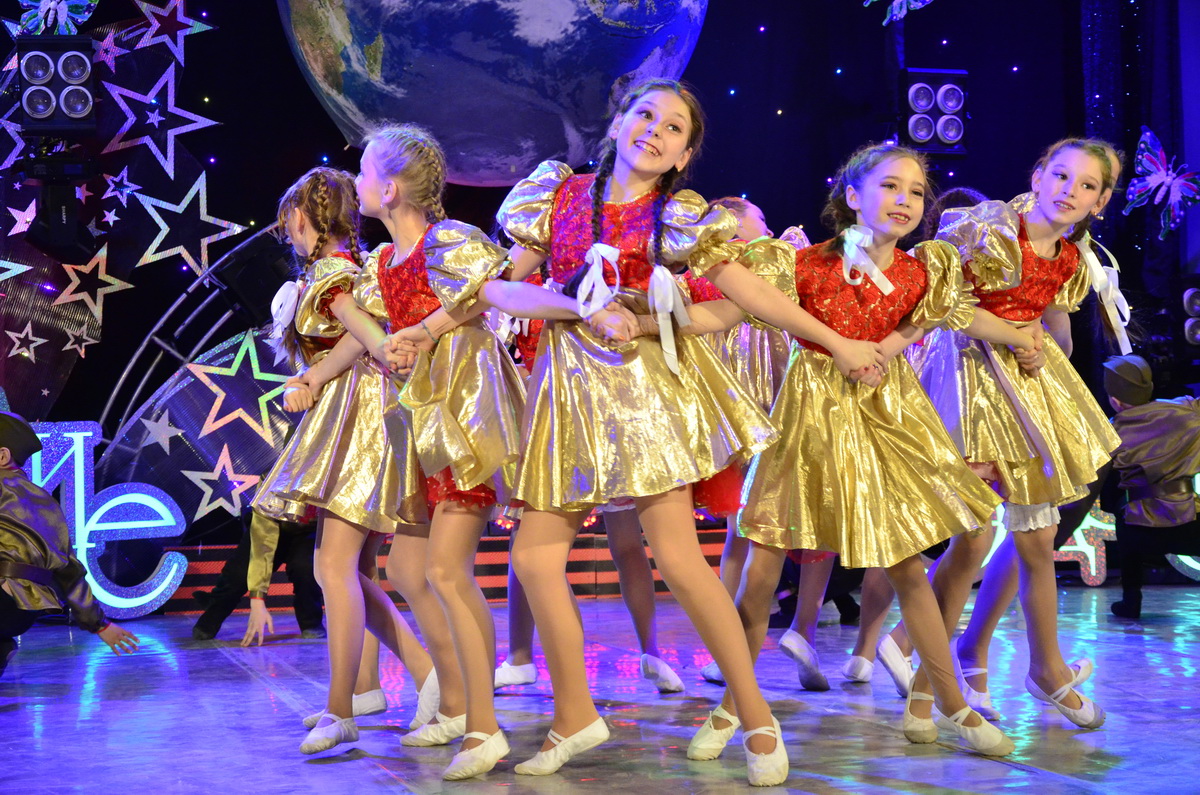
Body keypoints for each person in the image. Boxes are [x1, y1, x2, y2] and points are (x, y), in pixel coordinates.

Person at [493, 77, 878, 786]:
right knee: (535, 555)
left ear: (683, 155)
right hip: (568, 387)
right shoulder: (558, 195)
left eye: (674, 127)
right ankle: (574, 713)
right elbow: (498, 284)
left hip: (645, 392)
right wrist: (578, 308)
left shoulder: (677, 216)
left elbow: (747, 294)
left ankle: (755, 715)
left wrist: (836, 341)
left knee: (677, 556)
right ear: (617, 123)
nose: (655, 130)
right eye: (645, 114)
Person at [686, 141, 1035, 758]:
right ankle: (732, 707)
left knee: (906, 564)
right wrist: (651, 318)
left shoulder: (923, 270)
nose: (904, 200)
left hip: (884, 416)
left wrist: (1016, 335)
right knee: (762, 570)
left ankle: (951, 704)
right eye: (889, 186)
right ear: (852, 196)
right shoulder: (802, 263)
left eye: (916, 191)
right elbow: (728, 310)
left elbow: (946, 317)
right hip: (808, 415)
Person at [299, 124, 595, 780]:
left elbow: (493, 292)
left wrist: (577, 308)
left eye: (366, 170)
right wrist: (316, 376)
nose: (357, 181)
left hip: (465, 414)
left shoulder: (448, 241)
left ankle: (485, 727)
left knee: (446, 570)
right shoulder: (384, 261)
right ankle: (458, 704)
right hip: (421, 422)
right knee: (409, 566)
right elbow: (367, 335)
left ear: (390, 188)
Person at [922, 138, 1123, 729]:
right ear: (1037, 176)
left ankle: (1045, 669)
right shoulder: (988, 228)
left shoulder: (1069, 258)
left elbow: (1055, 331)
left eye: (1086, 185)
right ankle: (927, 673)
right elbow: (943, 302)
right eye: (1060, 175)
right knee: (968, 537)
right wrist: (1015, 336)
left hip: (1021, 392)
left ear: (1100, 201)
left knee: (1038, 538)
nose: (1069, 190)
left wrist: (1042, 352)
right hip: (962, 380)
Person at [250, 167, 439, 755]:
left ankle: (349, 707)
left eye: (288, 219)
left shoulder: (334, 273)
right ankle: (375, 689)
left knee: (333, 567)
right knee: (346, 568)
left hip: (358, 417)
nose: (286, 229)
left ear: (301, 217)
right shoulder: (339, 268)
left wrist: (332, 369)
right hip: (350, 413)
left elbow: (365, 332)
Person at [694, 197, 795, 687]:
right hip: (745, 408)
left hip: (770, 403)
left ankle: (734, 646)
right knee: (743, 530)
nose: (768, 227)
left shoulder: (768, 265)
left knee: (745, 532)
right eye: (761, 219)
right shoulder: (723, 270)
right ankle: (730, 647)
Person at [0, 411, 139, 677]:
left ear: (2, 456)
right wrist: (99, 624)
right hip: (24, 612)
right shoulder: (44, 501)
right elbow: (70, 570)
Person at [1103, 354, 1200, 619]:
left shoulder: (1112, 431)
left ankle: (1131, 600)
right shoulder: (1187, 410)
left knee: (1123, 516)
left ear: (1115, 400)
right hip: (1189, 520)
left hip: (1141, 528)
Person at [191, 511, 325, 643]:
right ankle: (210, 618)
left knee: (305, 569)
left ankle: (311, 622)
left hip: (308, 529)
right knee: (239, 574)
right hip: (267, 522)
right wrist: (257, 600)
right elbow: (261, 549)